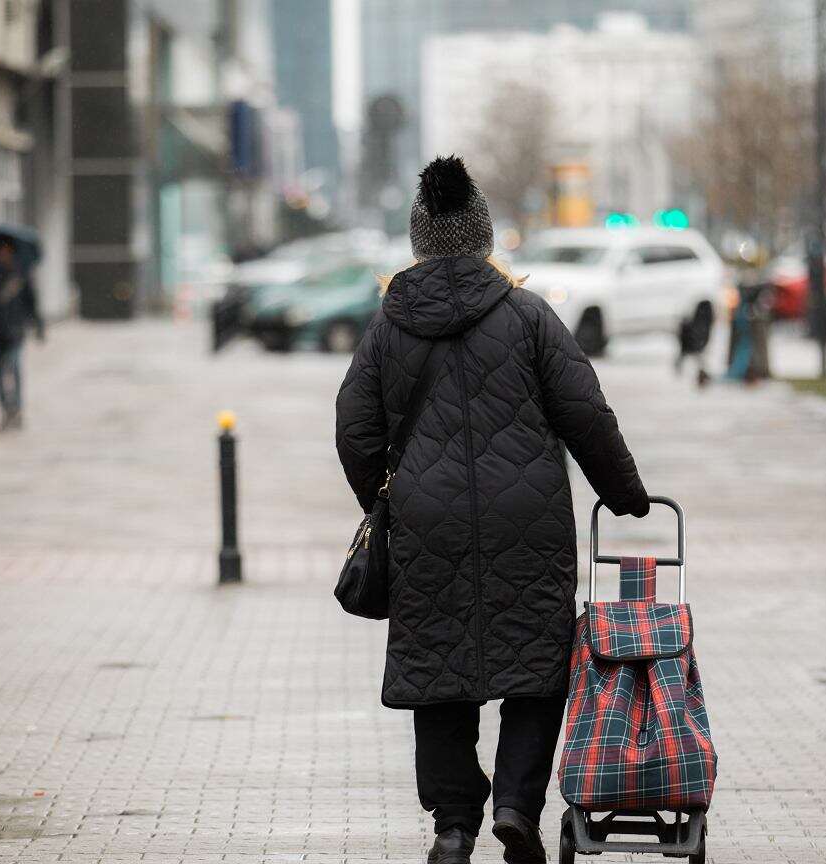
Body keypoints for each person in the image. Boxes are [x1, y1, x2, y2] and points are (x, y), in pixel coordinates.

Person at [335, 156, 650, 864]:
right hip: (529, 525)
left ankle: (453, 827)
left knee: (437, 673)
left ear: (420, 242)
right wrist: (624, 495)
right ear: (483, 240)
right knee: (535, 671)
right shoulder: (529, 317)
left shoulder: (389, 327)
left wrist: (389, 500)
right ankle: (514, 806)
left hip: (427, 527)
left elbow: (353, 428)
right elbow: (587, 416)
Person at [0, 235, 43, 430]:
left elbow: (31, 299)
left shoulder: (21, 271)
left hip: (15, 327)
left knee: (13, 367)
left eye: (7, 249)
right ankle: (5, 409)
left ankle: (17, 408)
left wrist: (38, 324)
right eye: (0, 249)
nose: (3, 252)